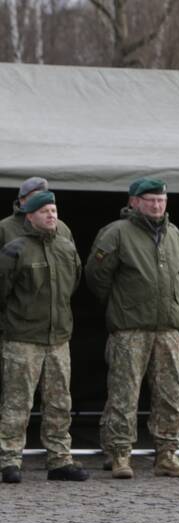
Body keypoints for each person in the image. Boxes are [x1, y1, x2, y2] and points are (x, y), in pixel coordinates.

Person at [86, 178, 179, 479]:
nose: (157, 205)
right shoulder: (117, 233)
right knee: (124, 393)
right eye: (149, 200)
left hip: (167, 330)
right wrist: (125, 304)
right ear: (134, 202)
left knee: (170, 393)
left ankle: (167, 453)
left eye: (161, 200)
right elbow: (97, 277)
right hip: (130, 329)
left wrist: (169, 302)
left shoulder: (174, 234)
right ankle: (119, 453)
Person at [0, 192, 87, 484]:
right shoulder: (15, 250)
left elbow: (73, 284)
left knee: (59, 402)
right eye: (44, 211)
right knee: (17, 402)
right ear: (30, 216)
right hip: (23, 338)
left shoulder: (66, 247)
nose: (51, 215)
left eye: (54, 210)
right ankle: (9, 459)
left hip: (58, 338)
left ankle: (60, 459)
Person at [0, 177, 73, 246]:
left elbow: (73, 257)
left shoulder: (61, 228)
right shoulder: (4, 228)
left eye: (43, 196)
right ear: (22, 200)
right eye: (35, 197)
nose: (40, 200)